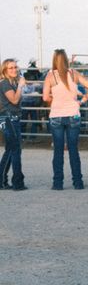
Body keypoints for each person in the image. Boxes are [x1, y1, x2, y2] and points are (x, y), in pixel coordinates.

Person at [42, 49, 88, 189]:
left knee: (58, 150)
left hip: (56, 115)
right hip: (73, 114)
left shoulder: (50, 76)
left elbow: (45, 97)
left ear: (54, 59)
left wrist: (55, 97)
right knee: (73, 149)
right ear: (66, 60)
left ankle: (57, 183)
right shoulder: (73, 74)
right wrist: (82, 100)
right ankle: (78, 182)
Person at [0, 59, 27, 190]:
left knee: (11, 150)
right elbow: (15, 100)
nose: (14, 70)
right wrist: (21, 86)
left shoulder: (12, 83)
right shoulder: (5, 83)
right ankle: (17, 182)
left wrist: (19, 86)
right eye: (10, 68)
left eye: (15, 67)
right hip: (9, 118)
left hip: (12, 118)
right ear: (5, 70)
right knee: (15, 150)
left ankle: (2, 181)